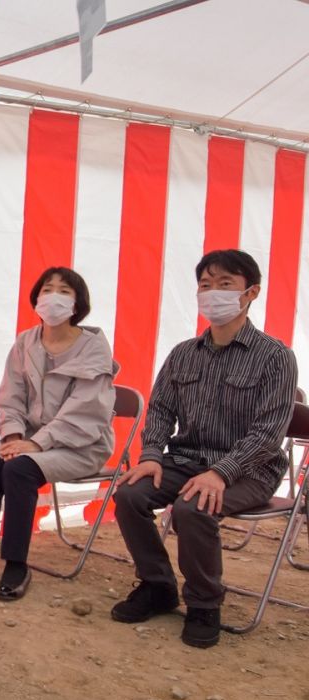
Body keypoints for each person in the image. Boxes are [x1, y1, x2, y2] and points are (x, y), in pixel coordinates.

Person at [111, 249, 297, 648]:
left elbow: (268, 432)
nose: (212, 293)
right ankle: (158, 585)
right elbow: (160, 410)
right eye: (205, 285)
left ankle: (204, 604)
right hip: (186, 458)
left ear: (251, 293)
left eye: (225, 284)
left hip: (249, 469)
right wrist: (151, 457)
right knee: (128, 494)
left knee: (193, 508)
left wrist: (221, 472)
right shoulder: (183, 354)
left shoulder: (276, 357)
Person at [0, 267, 116, 600]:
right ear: (36, 299)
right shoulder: (26, 341)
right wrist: (12, 438)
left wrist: (35, 444)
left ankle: (16, 564)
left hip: (82, 445)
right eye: (46, 290)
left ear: (78, 303)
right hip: (30, 442)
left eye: (64, 291)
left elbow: (85, 410)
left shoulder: (94, 348)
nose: (53, 297)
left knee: (19, 470)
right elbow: (12, 396)